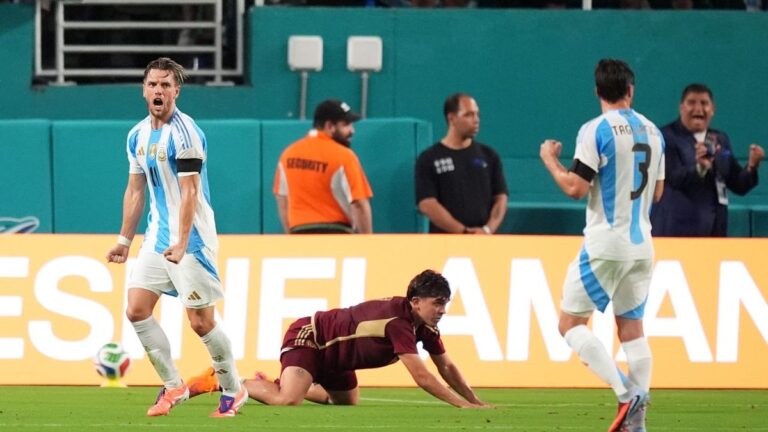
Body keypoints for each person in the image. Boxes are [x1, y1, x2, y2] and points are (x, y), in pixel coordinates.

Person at [105, 57, 246, 418]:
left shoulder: (185, 134)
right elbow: (135, 190)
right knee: (136, 309)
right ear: (144, 89)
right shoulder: (136, 134)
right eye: (153, 84)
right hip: (156, 238)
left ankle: (233, 389)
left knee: (200, 321)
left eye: (166, 85)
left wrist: (183, 242)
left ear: (176, 91)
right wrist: (124, 240)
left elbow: (190, 193)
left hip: (193, 241)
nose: (158, 91)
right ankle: (174, 387)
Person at [539, 59, 665, 432]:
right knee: (632, 330)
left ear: (597, 92)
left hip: (606, 244)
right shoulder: (654, 132)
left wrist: (549, 159)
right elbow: (657, 191)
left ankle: (627, 395)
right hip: (643, 246)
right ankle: (637, 423)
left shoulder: (595, 130)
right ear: (631, 89)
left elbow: (575, 188)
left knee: (570, 323)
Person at [185, 269, 490, 409]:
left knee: (345, 402)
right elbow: (422, 376)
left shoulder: (424, 326)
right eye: (437, 303)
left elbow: (446, 367)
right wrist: (460, 405)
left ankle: (282, 382)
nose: (442, 310)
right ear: (415, 301)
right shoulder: (399, 323)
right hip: (311, 337)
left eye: (445, 303)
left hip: (338, 357)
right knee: (287, 400)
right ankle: (225, 381)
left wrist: (474, 399)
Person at [650, 83, 764, 237]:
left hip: (716, 230)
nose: (698, 109)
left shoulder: (720, 139)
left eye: (704, 103)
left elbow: (737, 183)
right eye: (691, 103)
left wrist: (751, 166)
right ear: (681, 107)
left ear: (712, 109)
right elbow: (674, 178)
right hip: (678, 232)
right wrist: (700, 168)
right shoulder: (665, 137)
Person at [273, 99, 373, 234]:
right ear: (330, 126)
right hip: (336, 234)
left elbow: (282, 200)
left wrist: (291, 235)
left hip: (299, 234)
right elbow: (359, 205)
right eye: (346, 125)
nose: (352, 130)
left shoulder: (288, 154)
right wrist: (368, 242)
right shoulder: (345, 156)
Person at [415, 93, 508, 234]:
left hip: (484, 242)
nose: (476, 120)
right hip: (444, 245)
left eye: (477, 115)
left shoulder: (489, 156)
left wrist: (487, 230)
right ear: (451, 118)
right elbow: (427, 203)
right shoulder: (429, 158)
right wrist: (463, 232)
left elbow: (500, 197)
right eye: (469, 115)